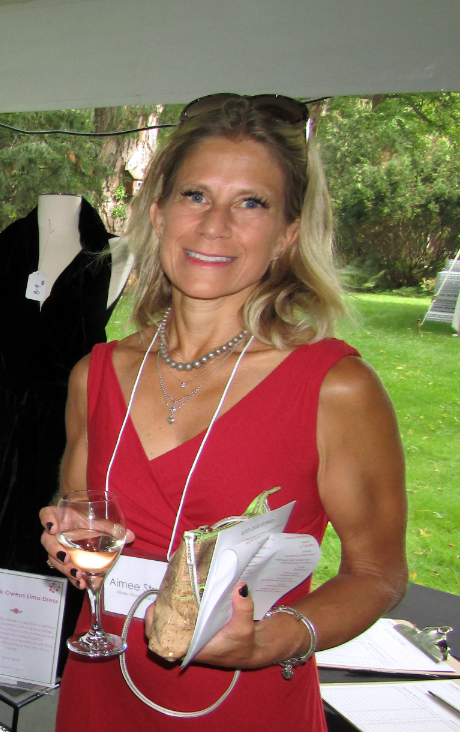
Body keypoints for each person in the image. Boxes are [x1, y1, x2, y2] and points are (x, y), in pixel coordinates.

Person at [39, 94, 407, 730]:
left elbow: (378, 573)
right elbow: (83, 509)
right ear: (158, 213)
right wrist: (67, 537)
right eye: (196, 195)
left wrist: (269, 642)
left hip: (244, 703)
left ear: (288, 232)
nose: (215, 225)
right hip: (102, 691)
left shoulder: (334, 388)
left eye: (251, 203)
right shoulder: (93, 375)